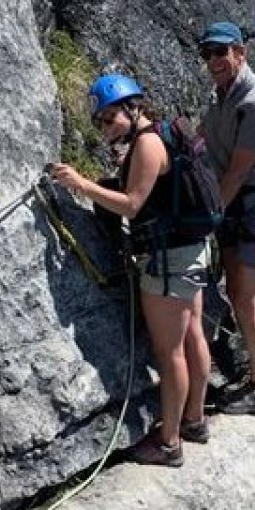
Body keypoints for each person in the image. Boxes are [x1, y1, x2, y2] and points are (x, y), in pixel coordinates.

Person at [49, 74, 213, 467]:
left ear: (131, 108)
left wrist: (81, 185)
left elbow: (131, 205)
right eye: (100, 122)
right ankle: (194, 419)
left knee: (170, 351)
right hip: (192, 249)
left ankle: (170, 442)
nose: (105, 128)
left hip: (168, 259)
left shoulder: (148, 143)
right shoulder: (158, 134)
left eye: (110, 119)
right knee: (192, 334)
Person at [197, 21, 255, 416]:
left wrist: (207, 217)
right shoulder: (223, 96)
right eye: (207, 54)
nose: (214, 60)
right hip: (239, 205)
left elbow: (238, 171)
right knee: (237, 291)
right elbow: (201, 141)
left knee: (244, 296)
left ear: (240, 53)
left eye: (221, 52)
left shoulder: (254, 101)